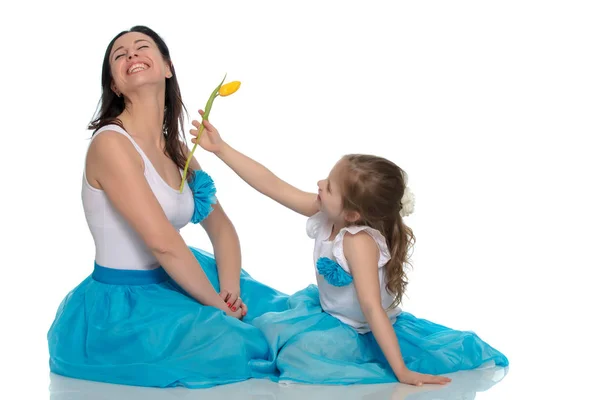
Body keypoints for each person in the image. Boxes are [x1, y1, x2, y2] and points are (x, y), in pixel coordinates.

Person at [46, 25, 290, 389]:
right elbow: (162, 243)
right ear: (114, 84)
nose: (131, 55)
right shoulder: (110, 145)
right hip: (124, 307)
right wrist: (218, 308)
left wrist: (229, 291)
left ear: (166, 68)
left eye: (142, 47)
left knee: (278, 318)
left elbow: (221, 229)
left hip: (179, 277)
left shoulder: (179, 151)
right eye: (119, 54)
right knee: (242, 346)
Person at [190, 113, 510, 386]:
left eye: (328, 186)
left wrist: (401, 371)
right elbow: (272, 185)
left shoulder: (358, 242)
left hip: (356, 329)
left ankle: (386, 360)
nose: (318, 184)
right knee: (269, 329)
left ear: (353, 215)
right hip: (330, 313)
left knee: (289, 349)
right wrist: (221, 150)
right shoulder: (328, 211)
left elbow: (371, 308)